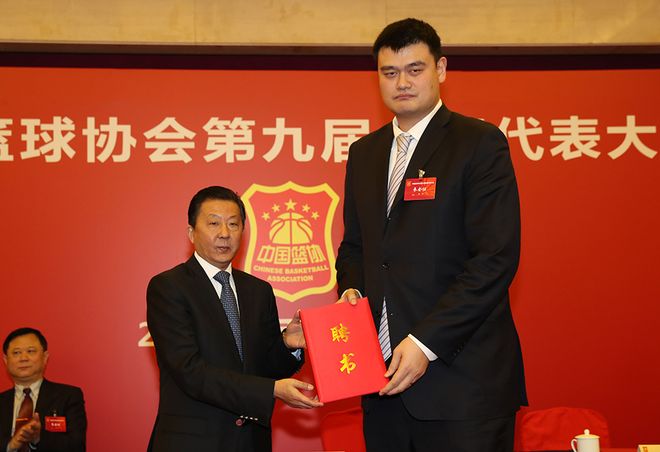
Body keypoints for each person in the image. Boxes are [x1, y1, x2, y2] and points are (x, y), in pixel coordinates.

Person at [335, 18, 527, 452]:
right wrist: (351, 292)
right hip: (382, 386)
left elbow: (494, 258)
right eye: (390, 72)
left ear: (440, 69)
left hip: (462, 387)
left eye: (415, 69)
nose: (402, 83)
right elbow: (356, 247)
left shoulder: (479, 143)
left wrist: (425, 343)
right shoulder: (364, 153)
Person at [146, 185, 322, 452]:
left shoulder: (258, 290)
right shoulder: (169, 287)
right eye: (213, 223)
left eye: (233, 224)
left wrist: (287, 344)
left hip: (251, 442)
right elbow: (190, 371)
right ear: (191, 233)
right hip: (193, 442)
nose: (224, 233)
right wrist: (269, 390)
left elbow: (265, 369)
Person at [0, 327, 87, 452]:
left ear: (45, 357)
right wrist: (10, 446)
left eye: (30, 351)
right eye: (16, 353)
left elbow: (77, 446)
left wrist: (38, 438)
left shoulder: (68, 396)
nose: (23, 358)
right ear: (5, 360)